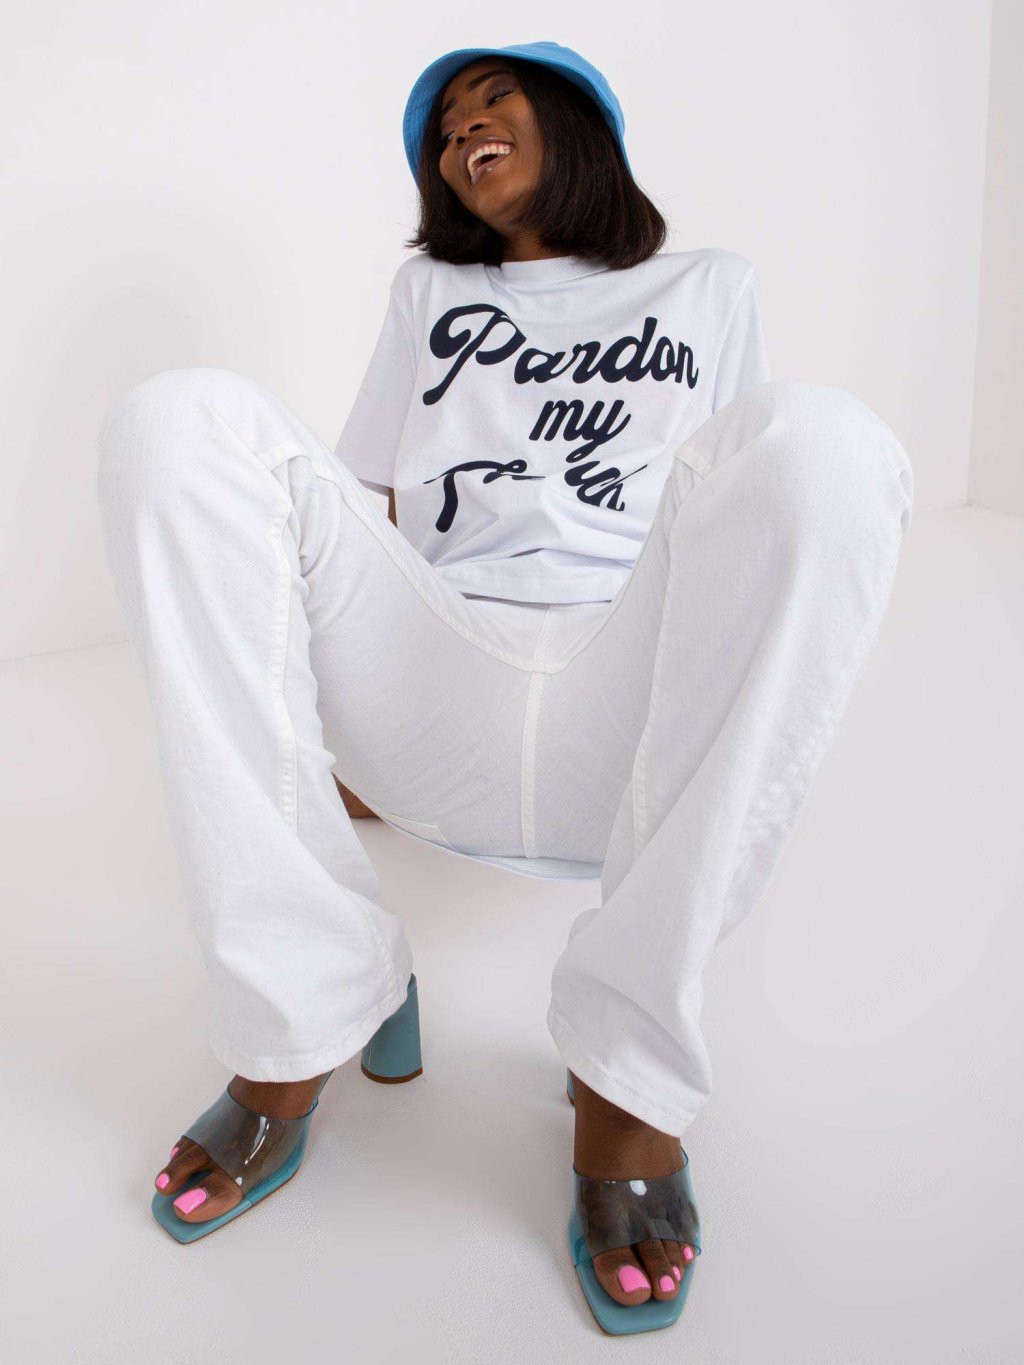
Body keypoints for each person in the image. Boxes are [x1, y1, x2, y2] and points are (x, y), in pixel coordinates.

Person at [95, 40, 914, 1333]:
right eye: (444, 126)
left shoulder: (710, 285)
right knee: (176, 420)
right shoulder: (430, 290)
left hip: (625, 697)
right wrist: (347, 732)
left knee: (828, 447)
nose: (463, 128)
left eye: (495, 97)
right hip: (442, 669)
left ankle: (630, 1076)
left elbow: (748, 515)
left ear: (580, 123)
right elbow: (358, 510)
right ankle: (307, 997)